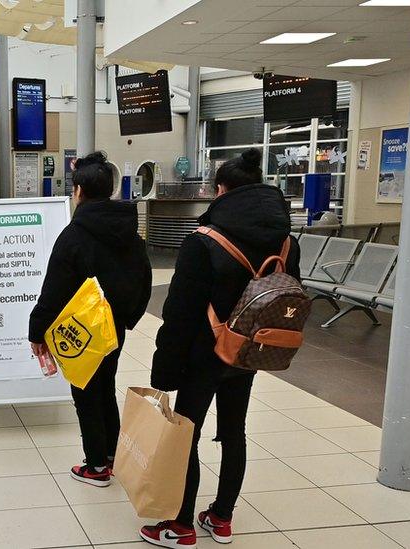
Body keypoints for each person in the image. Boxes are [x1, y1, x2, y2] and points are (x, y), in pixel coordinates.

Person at [139, 149, 301, 547]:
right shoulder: (286, 240)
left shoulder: (204, 241)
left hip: (202, 354)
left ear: (222, 191)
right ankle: (222, 517)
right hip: (250, 351)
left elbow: (179, 311)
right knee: (235, 431)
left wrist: (165, 369)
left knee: (186, 435)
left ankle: (180, 526)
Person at [29, 151, 152, 487]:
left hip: (81, 331)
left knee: (85, 392)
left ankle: (96, 465)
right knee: (105, 387)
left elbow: (54, 290)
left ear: (79, 191)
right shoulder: (130, 232)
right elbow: (144, 278)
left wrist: (36, 331)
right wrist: (129, 317)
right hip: (114, 329)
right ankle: (111, 453)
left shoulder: (74, 236)